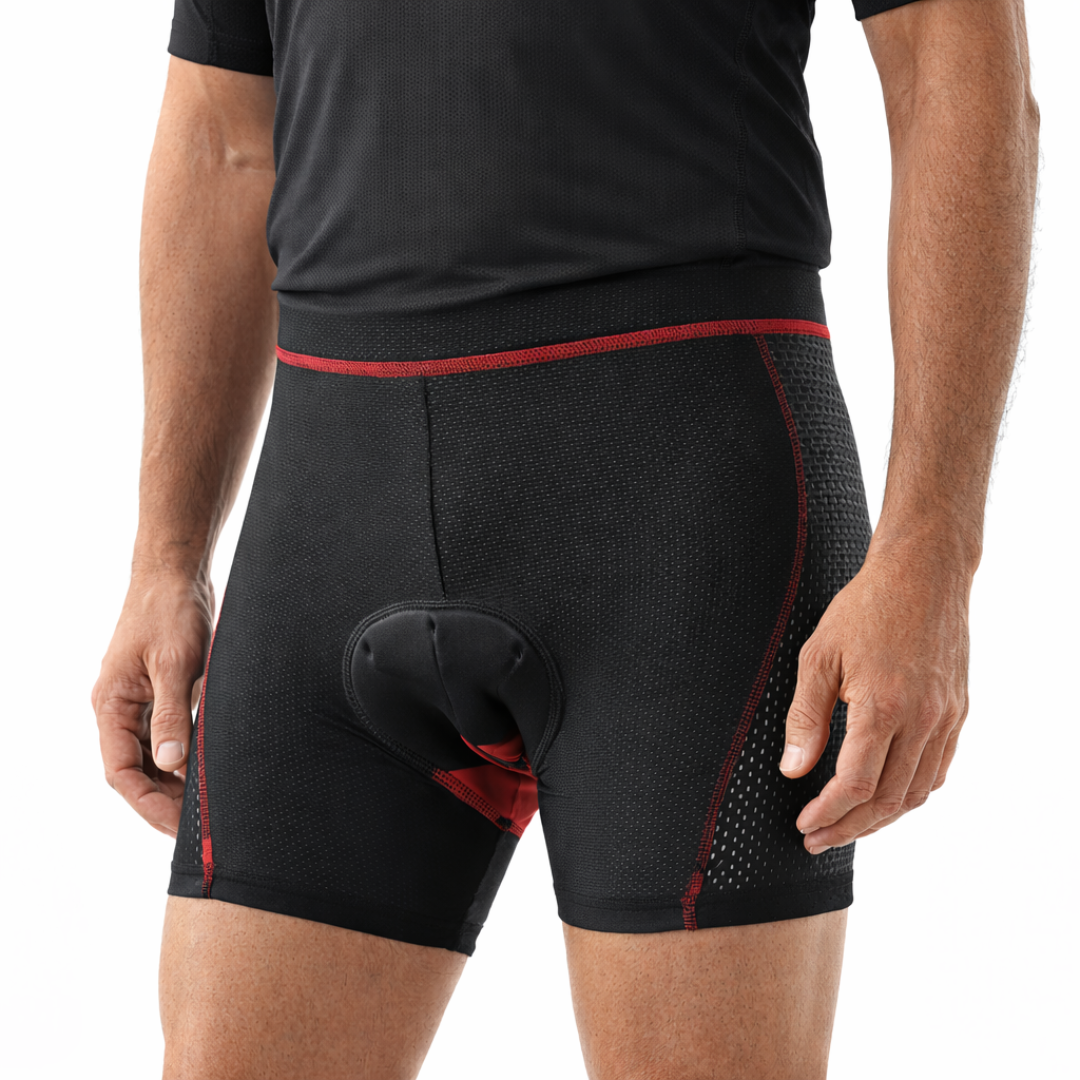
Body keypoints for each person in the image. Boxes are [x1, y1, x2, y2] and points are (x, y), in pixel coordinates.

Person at [91, 0, 1038, 1076]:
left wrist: (932, 552)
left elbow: (957, 64)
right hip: (329, 513)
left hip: (682, 517)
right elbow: (222, 136)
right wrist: (164, 557)